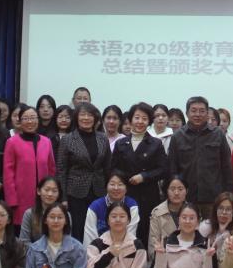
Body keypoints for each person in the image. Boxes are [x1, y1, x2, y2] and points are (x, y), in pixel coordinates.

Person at [167, 96, 233, 221]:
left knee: (213, 230)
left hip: (213, 197)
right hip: (187, 198)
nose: (197, 114)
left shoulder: (218, 134)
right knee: (187, 229)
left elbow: (227, 167)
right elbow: (173, 169)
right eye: (193, 110)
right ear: (187, 113)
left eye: (202, 111)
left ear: (207, 113)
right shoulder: (177, 137)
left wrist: (228, 194)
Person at [111, 102, 167, 246]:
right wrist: (125, 178)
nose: (140, 121)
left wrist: (144, 176)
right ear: (130, 119)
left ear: (149, 121)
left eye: (144, 118)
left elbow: (163, 169)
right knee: (125, 227)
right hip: (125, 193)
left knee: (144, 231)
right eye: (137, 118)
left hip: (148, 195)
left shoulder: (156, 143)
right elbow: (114, 168)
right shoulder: (120, 143)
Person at [57, 101, 111, 240]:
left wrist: (109, 192)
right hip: (75, 193)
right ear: (76, 117)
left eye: (89, 115)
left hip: (98, 191)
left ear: (95, 118)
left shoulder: (103, 138)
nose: (86, 118)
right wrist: (63, 197)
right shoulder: (67, 139)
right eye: (82, 115)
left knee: (98, 228)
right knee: (78, 228)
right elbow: (62, 170)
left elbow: (107, 167)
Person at [4, 105, 57, 228]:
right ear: (20, 121)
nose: (30, 121)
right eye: (26, 118)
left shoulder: (46, 142)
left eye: (33, 118)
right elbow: (8, 174)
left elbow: (52, 170)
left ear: (38, 120)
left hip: (45, 197)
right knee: (23, 231)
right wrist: (12, 200)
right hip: (21, 198)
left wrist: (52, 192)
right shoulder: (12, 142)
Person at [83, 171, 140, 245]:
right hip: (99, 249)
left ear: (126, 188)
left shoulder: (132, 205)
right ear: (106, 186)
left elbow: (130, 236)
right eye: (112, 184)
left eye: (120, 184)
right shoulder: (95, 206)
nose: (116, 188)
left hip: (125, 248)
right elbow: (89, 237)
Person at [19, 177, 67, 246]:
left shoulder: (65, 215)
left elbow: (67, 242)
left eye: (54, 191)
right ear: (38, 191)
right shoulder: (29, 214)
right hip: (34, 252)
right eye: (46, 190)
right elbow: (23, 242)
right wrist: (42, 251)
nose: (50, 194)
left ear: (59, 193)